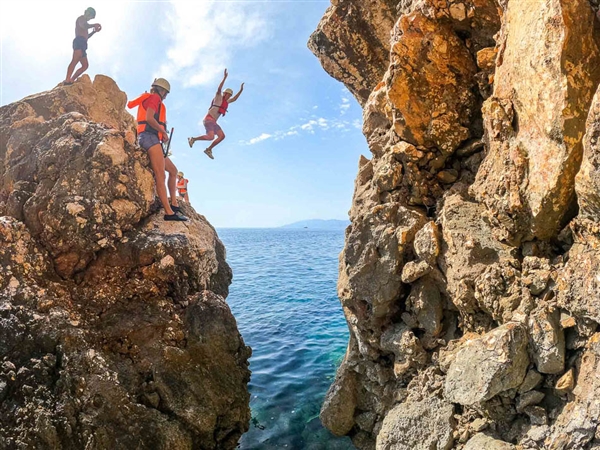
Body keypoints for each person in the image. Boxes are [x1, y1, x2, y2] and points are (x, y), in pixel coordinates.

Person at [127, 78, 188, 221]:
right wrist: (163, 131)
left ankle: (173, 204)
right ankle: (169, 213)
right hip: (149, 138)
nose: (165, 96)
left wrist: (161, 133)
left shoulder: (152, 98)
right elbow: (149, 118)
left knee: (173, 171)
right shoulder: (154, 98)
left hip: (152, 138)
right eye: (165, 93)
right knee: (161, 175)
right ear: (160, 90)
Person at [188, 69, 244, 159]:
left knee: (222, 136)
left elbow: (234, 99)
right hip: (208, 119)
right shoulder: (218, 97)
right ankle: (193, 139)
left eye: (230, 95)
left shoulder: (226, 102)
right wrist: (224, 77)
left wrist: (241, 90)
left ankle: (208, 149)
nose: (229, 96)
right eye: (228, 94)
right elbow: (219, 89)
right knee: (211, 137)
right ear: (224, 93)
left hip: (213, 122)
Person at [64, 7, 101, 85]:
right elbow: (84, 25)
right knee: (75, 59)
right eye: (89, 15)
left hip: (83, 43)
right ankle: (67, 79)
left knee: (85, 65)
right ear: (86, 12)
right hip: (79, 41)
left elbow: (86, 36)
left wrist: (94, 32)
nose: (89, 18)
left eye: (91, 17)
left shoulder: (86, 24)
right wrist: (94, 25)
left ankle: (72, 79)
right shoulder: (81, 18)